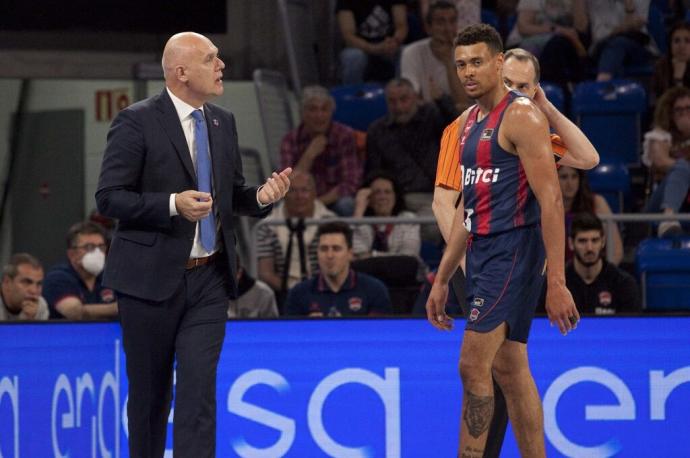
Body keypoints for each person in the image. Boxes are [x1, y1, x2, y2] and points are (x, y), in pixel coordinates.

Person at [95, 32, 291, 458]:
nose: (221, 65)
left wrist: (260, 197)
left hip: (209, 279)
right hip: (148, 282)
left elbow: (231, 192)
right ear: (181, 71)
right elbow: (109, 197)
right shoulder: (136, 121)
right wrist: (171, 204)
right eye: (211, 58)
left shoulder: (223, 121)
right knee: (150, 398)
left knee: (198, 391)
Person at [432, 46, 599, 458]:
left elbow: (587, 158)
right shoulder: (462, 128)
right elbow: (446, 203)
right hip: (473, 256)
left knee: (483, 366)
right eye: (510, 84)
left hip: (510, 257)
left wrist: (545, 107)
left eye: (525, 87)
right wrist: (457, 270)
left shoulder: (526, 121)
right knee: (508, 366)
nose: (516, 92)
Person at [366, 77, 457, 226]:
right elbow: (374, 171)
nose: (399, 106)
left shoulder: (432, 117)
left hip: (433, 195)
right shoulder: (377, 131)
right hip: (397, 198)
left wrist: (442, 101)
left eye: (404, 99)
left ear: (415, 97)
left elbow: (461, 130)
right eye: (393, 101)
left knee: (432, 227)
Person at [257, 171, 335, 308]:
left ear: (315, 193)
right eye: (293, 190)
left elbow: (337, 266)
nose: (299, 196)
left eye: (305, 190)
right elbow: (266, 273)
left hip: (325, 292)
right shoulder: (267, 226)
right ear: (284, 194)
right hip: (282, 293)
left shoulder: (331, 222)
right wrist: (295, 292)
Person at [279, 85, 362, 216]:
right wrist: (309, 155)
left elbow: (350, 183)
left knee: (346, 204)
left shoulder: (344, 135)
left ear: (331, 112)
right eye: (313, 109)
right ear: (302, 113)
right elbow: (286, 185)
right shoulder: (290, 140)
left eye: (324, 109)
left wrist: (317, 203)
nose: (319, 115)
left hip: (332, 199)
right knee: (278, 205)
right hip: (300, 199)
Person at [285, 221, 392, 317]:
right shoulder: (298, 294)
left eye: (336, 249)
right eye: (324, 249)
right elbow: (289, 336)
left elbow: (378, 334)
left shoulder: (374, 290)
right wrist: (308, 327)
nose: (329, 255)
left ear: (350, 253)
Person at [565, 212, 641, 314]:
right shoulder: (557, 285)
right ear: (571, 243)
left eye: (595, 240)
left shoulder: (624, 284)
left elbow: (631, 328)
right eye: (582, 241)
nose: (589, 248)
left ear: (603, 241)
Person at [401, 1, 471, 109]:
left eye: (452, 21)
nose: (448, 28)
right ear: (428, 28)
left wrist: (448, 63)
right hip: (428, 117)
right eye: (440, 22)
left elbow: (463, 103)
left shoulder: (468, 53)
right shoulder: (412, 52)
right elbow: (411, 98)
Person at [42, 221, 118, 320]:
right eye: (89, 247)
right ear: (72, 254)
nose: (97, 252)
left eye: (101, 247)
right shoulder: (57, 278)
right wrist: (118, 308)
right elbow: (75, 312)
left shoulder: (110, 276)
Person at [506, 0, 588, 86]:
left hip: (559, 47)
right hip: (525, 42)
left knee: (560, 45)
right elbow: (524, 28)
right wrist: (559, 30)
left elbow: (581, 28)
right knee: (557, 45)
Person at [643, 86, 690, 236]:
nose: (685, 113)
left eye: (689, 108)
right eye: (679, 110)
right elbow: (661, 161)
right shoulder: (660, 136)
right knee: (681, 167)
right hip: (660, 207)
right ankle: (669, 216)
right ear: (669, 113)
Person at [558, 165, 624, 264]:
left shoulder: (597, 203)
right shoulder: (542, 206)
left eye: (574, 176)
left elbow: (616, 251)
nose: (569, 183)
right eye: (564, 177)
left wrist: (603, 276)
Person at [352, 170, 421, 258]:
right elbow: (357, 254)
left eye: (387, 192)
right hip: (368, 271)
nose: (382, 197)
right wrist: (359, 211)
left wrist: (372, 255)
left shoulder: (408, 219)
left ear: (395, 196)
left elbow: (409, 257)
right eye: (377, 192)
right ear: (369, 198)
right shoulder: (362, 222)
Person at [336, 0, 408, 84]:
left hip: (388, 45)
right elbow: (348, 36)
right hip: (359, 47)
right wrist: (374, 48)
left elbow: (402, 26)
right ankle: (354, 94)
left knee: (406, 52)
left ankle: (401, 92)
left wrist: (395, 41)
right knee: (353, 57)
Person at [586, 0, 656, 81]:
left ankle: (602, 84)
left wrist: (629, 8)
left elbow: (637, 28)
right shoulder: (596, 3)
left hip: (637, 47)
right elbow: (599, 36)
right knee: (616, 45)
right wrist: (622, 28)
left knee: (618, 43)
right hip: (604, 47)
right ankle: (605, 84)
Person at [0, 253, 49, 321]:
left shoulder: (40, 306)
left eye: (39, 284)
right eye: (26, 282)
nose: (34, 291)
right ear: (7, 283)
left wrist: (30, 320)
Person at [651, 22, 690, 102]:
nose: (682, 46)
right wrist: (677, 79)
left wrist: (678, 81)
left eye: (687, 41)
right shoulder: (661, 66)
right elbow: (661, 105)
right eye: (676, 41)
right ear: (670, 45)